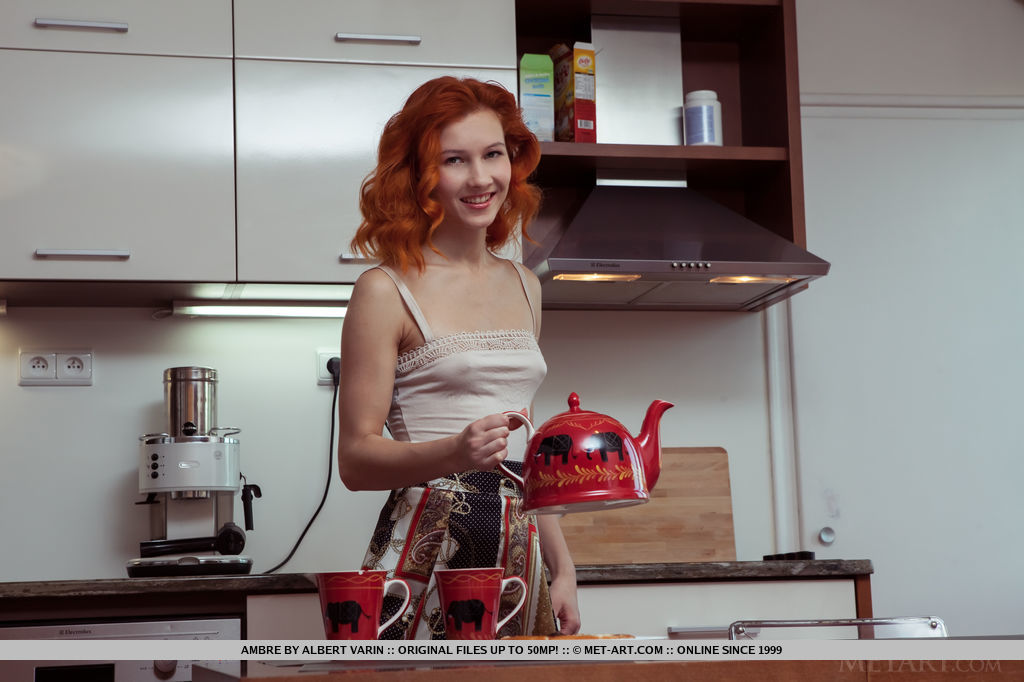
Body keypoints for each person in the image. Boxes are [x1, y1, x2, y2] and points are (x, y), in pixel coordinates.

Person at [337, 76, 581, 640]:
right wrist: (455, 450)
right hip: (429, 541)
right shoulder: (384, 290)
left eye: (493, 154)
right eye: (454, 160)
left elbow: (527, 458)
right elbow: (354, 461)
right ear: (419, 175)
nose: (480, 178)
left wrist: (564, 568)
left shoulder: (525, 285)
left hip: (519, 545)